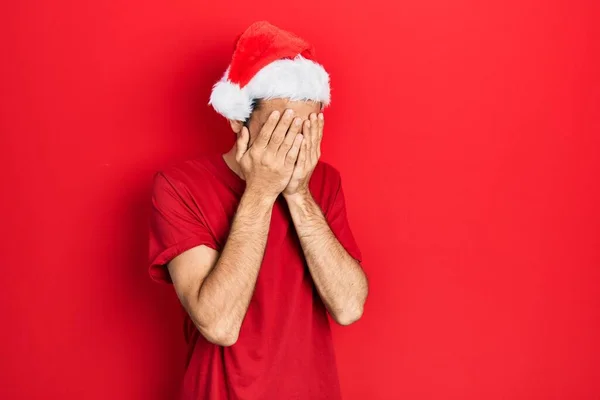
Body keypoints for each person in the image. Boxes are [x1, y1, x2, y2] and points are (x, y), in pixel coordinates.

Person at [148, 21, 368, 400]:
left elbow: (349, 307)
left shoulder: (324, 183)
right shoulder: (178, 186)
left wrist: (299, 195)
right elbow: (219, 324)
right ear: (237, 120)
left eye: (307, 128)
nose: (294, 144)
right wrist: (261, 192)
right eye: (279, 127)